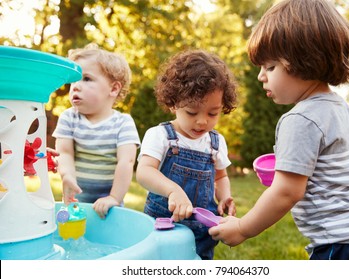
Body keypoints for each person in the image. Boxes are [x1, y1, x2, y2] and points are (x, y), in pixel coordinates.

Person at [209, 0, 349, 260]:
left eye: (270, 67)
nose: (261, 76)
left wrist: (242, 228)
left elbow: (287, 192)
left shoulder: (300, 118)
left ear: (305, 61)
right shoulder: (342, 107)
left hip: (340, 245)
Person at [136, 50, 238, 259]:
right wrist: (173, 190)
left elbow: (220, 176)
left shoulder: (215, 142)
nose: (202, 121)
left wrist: (225, 197)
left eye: (213, 113)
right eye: (192, 112)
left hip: (202, 231)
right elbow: (144, 172)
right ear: (173, 103)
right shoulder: (160, 135)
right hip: (164, 226)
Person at [53, 43, 140, 219]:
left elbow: (126, 161)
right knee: (73, 238)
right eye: (73, 81)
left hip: (109, 205)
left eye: (86, 79)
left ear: (113, 89)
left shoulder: (123, 123)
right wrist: (67, 176)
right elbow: (65, 153)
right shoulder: (69, 118)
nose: (76, 86)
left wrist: (114, 197)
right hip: (75, 200)